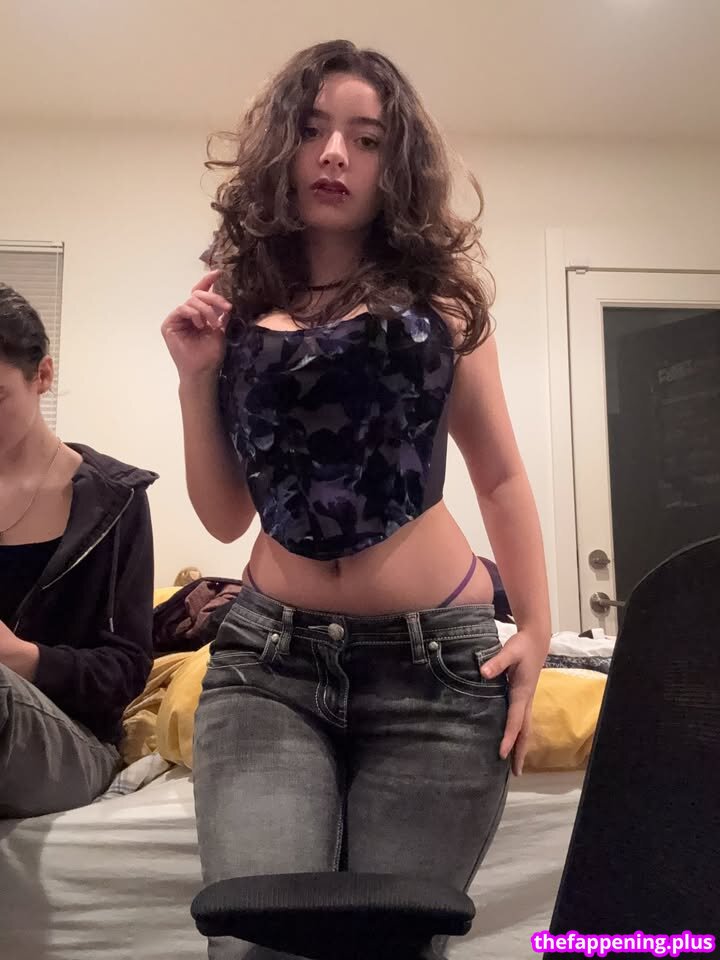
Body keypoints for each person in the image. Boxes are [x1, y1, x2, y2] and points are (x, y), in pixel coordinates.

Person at [162, 39, 551, 960]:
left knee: (395, 950)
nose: (335, 154)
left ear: (395, 162)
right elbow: (225, 518)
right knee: (252, 944)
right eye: (313, 130)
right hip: (268, 669)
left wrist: (536, 630)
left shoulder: (441, 303)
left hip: (437, 678)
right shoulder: (236, 306)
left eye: (366, 139)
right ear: (281, 146)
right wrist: (195, 379)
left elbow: (499, 475)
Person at [0, 283, 157, 818]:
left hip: (76, 739)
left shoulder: (116, 500)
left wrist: (23, 658)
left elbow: (127, 670)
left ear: (42, 375)